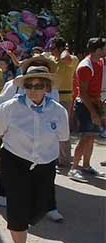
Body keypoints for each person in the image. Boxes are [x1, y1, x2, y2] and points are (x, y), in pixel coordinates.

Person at [0, 66, 69, 243]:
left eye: (39, 85)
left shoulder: (58, 111)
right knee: (17, 208)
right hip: (14, 162)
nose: (34, 89)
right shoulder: (9, 107)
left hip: (45, 164)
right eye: (29, 85)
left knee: (41, 207)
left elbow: (63, 137)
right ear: (24, 87)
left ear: (47, 88)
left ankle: (25, 224)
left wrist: (64, 159)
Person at [69, 37, 106, 181]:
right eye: (104, 48)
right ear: (98, 50)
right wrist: (93, 113)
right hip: (85, 105)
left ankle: (86, 166)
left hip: (95, 103)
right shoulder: (85, 66)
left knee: (91, 136)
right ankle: (74, 168)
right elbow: (83, 93)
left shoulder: (100, 62)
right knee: (85, 137)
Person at [48, 37, 77, 167]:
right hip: (51, 97)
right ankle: (55, 156)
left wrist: (65, 49)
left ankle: (65, 159)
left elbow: (66, 58)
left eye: (53, 48)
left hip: (65, 98)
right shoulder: (51, 61)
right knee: (50, 128)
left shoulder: (72, 59)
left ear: (60, 48)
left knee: (63, 129)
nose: (51, 51)